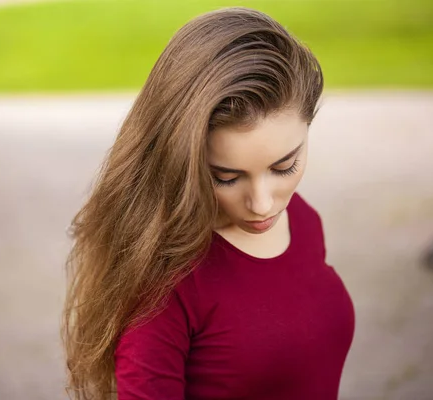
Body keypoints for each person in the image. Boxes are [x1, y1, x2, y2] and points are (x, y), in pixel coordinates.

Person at [62, 7, 355, 400]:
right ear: (181, 157)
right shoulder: (166, 287)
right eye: (226, 178)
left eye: (284, 167)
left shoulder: (302, 219)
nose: (262, 204)